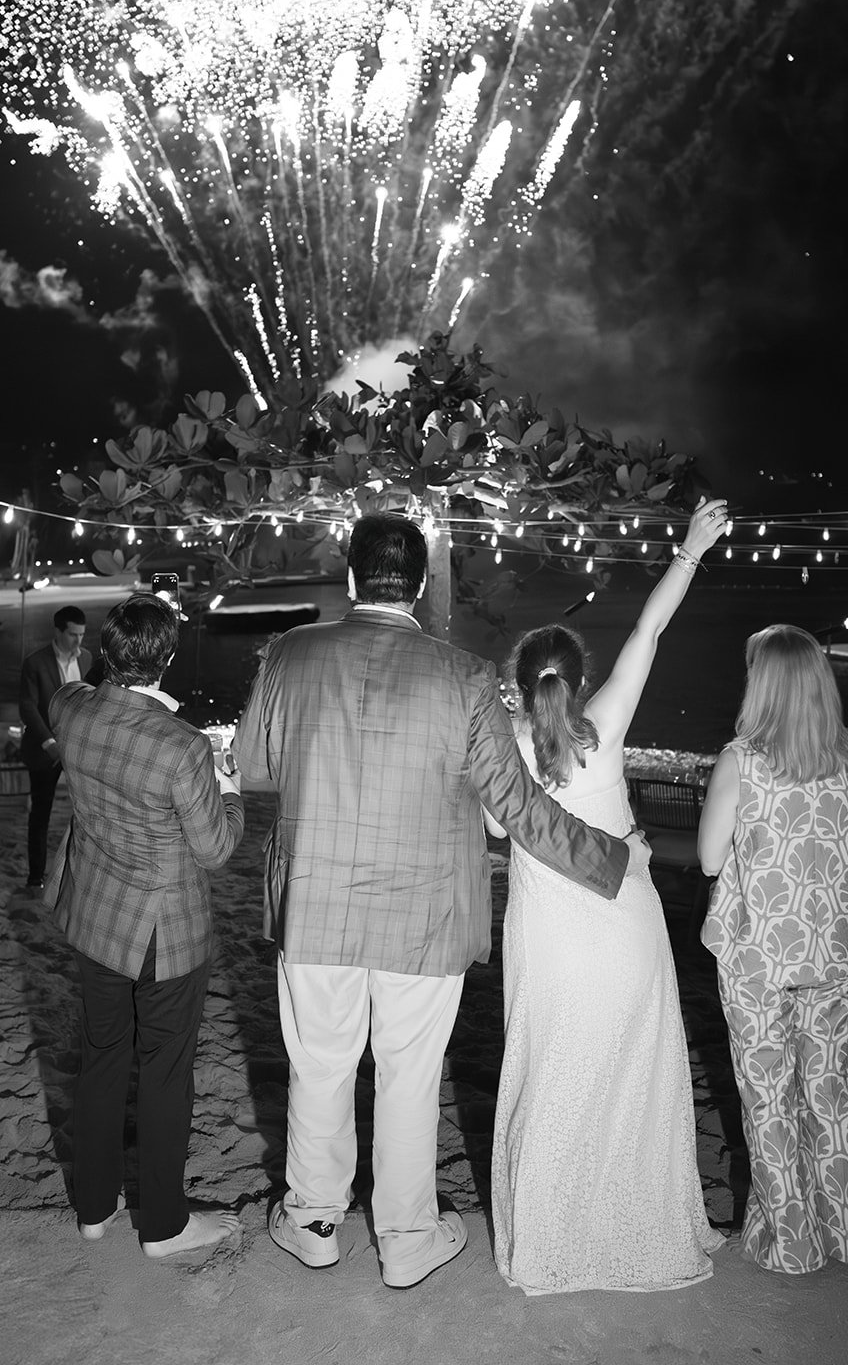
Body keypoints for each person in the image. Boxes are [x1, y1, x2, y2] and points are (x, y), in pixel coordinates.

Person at [233, 513, 647, 1290]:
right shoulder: (463, 677)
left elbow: (253, 765)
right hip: (424, 916)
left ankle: (316, 1223)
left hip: (316, 900)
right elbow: (518, 807)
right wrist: (612, 858)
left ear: (351, 578)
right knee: (410, 1076)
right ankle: (407, 1238)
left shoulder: (289, 653)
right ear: (419, 587)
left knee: (317, 1066)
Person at [487, 496, 728, 1295]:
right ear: (580, 681)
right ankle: (638, 1232)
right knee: (632, 1079)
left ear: (519, 690)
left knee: (552, 1076)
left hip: (548, 938)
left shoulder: (502, 754)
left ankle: (550, 1247)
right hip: (624, 924)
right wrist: (691, 549)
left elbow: (495, 823)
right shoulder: (609, 724)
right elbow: (648, 632)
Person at [44, 595, 244, 1257]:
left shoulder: (68, 709)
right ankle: (163, 1226)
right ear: (165, 655)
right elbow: (215, 850)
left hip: (96, 915)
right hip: (164, 929)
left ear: (109, 647)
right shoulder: (180, 747)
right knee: (164, 1071)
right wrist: (230, 787)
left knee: (101, 1057)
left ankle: (94, 1211)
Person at [698, 624, 848, 1275]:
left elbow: (709, 858)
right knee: (829, 1087)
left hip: (760, 955)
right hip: (831, 949)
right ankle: (845, 1235)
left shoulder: (741, 759)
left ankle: (794, 1244)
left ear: (762, 683)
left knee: (768, 1094)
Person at [18, 605, 90, 889]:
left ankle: (81, 876)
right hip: (44, 750)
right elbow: (27, 706)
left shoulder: (87, 659)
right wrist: (49, 743)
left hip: (78, 749)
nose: (78, 641)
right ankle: (36, 877)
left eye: (82, 635)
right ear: (58, 631)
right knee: (41, 813)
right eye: (73, 635)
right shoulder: (35, 663)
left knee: (88, 814)